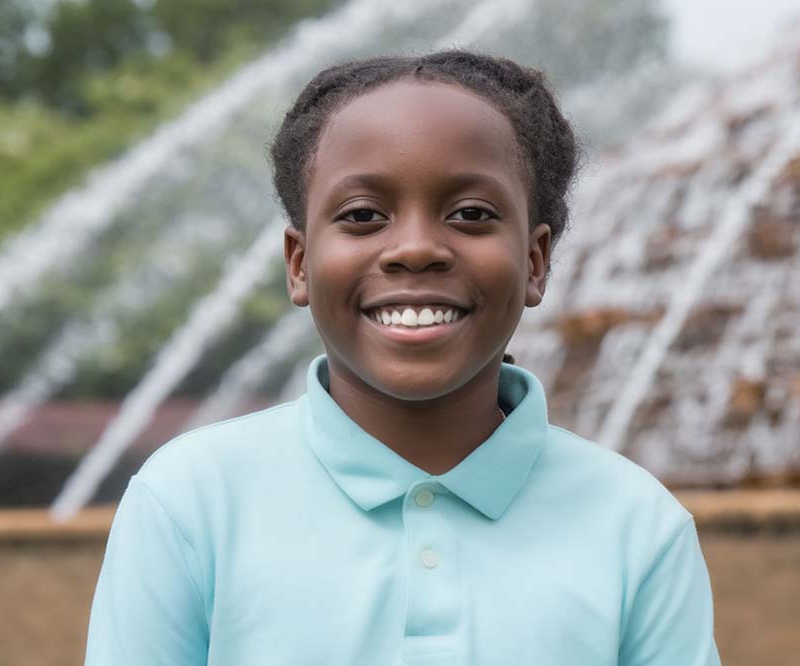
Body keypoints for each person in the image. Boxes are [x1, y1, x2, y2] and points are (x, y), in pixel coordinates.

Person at [84, 50, 721, 665]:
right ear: (299, 262)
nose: (415, 249)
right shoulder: (191, 503)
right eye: (363, 216)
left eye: (471, 214)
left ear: (536, 260)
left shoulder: (637, 526)